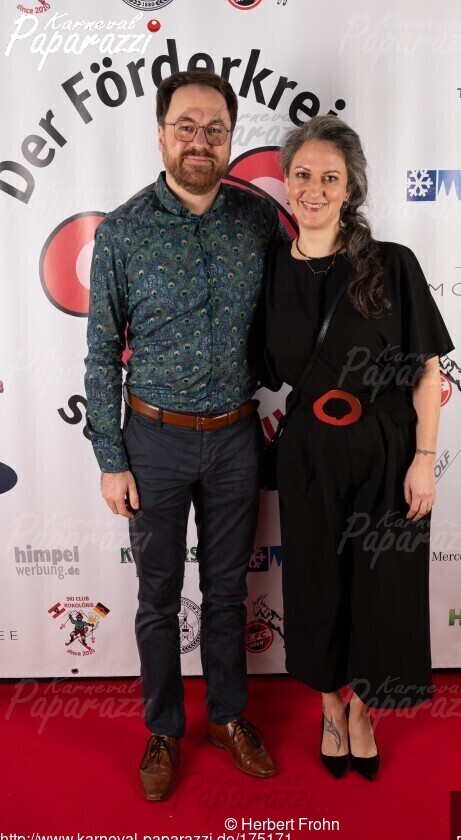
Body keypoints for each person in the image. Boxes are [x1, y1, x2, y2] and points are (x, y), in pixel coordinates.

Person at [84, 70, 284, 802]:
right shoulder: (122, 231)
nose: (200, 141)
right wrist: (111, 458)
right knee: (159, 597)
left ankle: (228, 718)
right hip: (153, 443)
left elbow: (288, 317)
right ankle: (164, 729)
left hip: (236, 438)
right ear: (162, 134)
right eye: (186, 127)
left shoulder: (258, 221)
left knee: (228, 591)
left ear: (230, 137)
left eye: (214, 129)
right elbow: (100, 354)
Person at [259, 115, 455, 780]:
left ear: (350, 189)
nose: (314, 189)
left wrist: (424, 461)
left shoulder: (391, 263)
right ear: (287, 183)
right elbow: (260, 365)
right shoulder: (270, 270)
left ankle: (365, 709)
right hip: (308, 451)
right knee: (315, 585)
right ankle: (328, 707)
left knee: (384, 588)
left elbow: (427, 371)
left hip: (386, 448)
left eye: (330, 177)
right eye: (303, 175)